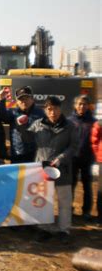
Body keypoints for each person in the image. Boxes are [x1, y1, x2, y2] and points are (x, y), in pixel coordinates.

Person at [18, 96, 78, 242]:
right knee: (43, 201)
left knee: (64, 201)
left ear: (60, 109)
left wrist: (61, 158)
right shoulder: (38, 124)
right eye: (49, 109)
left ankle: (64, 230)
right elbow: (27, 140)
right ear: (45, 110)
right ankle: (44, 229)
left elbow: (73, 147)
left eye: (56, 108)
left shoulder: (70, 126)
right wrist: (22, 126)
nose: (53, 112)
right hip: (42, 170)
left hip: (62, 169)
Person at [0, 86, 45, 163]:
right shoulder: (13, 113)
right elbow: (2, 116)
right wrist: (1, 100)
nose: (24, 101)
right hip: (17, 153)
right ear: (17, 102)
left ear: (32, 99)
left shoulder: (41, 113)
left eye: (26, 98)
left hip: (36, 154)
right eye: (21, 99)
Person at [69, 95, 96, 221]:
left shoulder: (93, 122)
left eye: (84, 104)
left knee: (87, 186)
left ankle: (86, 212)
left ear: (88, 106)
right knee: (71, 185)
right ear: (75, 105)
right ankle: (69, 210)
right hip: (72, 159)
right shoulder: (69, 121)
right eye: (79, 104)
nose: (82, 106)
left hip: (87, 159)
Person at [90, 119, 102, 224]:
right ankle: (100, 216)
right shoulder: (100, 122)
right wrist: (98, 154)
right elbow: (95, 139)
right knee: (101, 189)